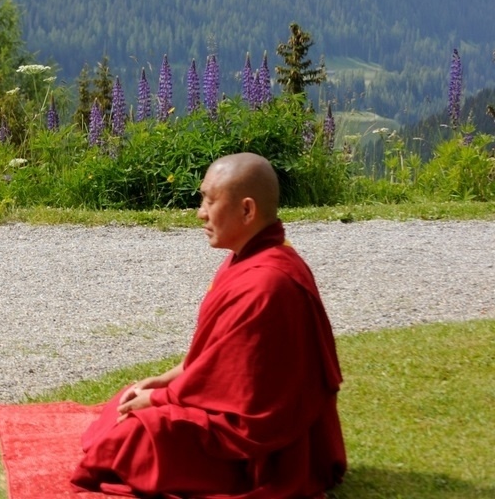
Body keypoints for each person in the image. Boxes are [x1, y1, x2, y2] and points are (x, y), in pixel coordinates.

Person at [72, 152, 346, 497]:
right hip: (230, 407)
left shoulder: (268, 285)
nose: (200, 212)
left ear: (247, 210)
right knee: (128, 399)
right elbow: (218, 359)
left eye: (210, 201)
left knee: (136, 434)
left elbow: (249, 405)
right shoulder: (248, 258)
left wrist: (161, 400)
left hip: (259, 446)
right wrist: (167, 379)